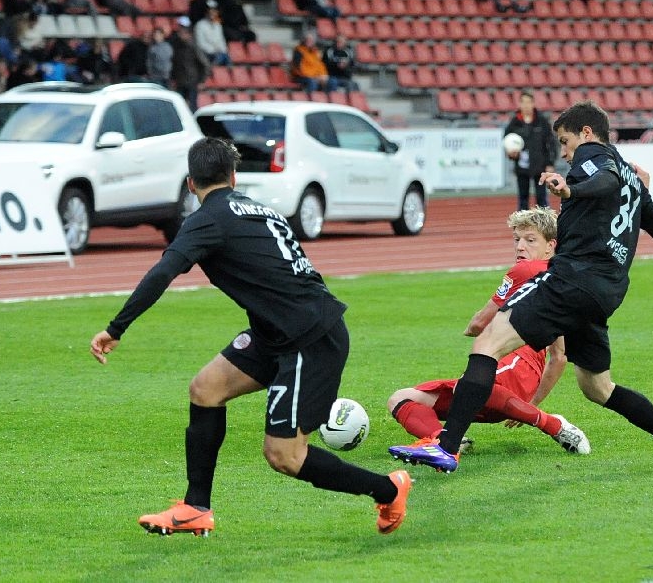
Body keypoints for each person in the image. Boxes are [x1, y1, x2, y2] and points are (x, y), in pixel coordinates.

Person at [88, 136, 412, 537]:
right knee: (205, 388)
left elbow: (163, 272)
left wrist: (116, 328)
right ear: (233, 177)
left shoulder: (208, 219)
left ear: (190, 183)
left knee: (284, 456)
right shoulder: (260, 210)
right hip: (279, 331)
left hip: (308, 341)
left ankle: (389, 489)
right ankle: (195, 508)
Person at [388, 100, 653, 472]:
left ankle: (446, 448)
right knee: (598, 388)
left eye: (565, 141)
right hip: (605, 293)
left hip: (571, 278)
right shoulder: (630, 177)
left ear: (586, 133)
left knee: (488, 342)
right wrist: (643, 193)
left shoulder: (594, 155)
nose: (564, 152)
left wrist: (571, 191)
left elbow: (604, 180)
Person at [387, 206, 590, 456]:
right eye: (516, 239)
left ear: (551, 246)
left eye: (530, 240)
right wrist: (531, 403)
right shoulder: (559, 281)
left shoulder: (524, 271)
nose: (520, 247)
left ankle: (553, 425)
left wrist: (470, 329)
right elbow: (559, 357)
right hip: (517, 386)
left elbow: (479, 323)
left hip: (514, 366)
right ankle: (444, 441)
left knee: (464, 387)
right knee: (402, 398)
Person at [504, 92, 559, 211]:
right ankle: (522, 221)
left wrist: (550, 163)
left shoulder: (541, 121)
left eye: (528, 102)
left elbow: (551, 143)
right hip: (521, 167)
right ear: (520, 104)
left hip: (540, 166)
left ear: (533, 104)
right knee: (523, 198)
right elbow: (506, 140)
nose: (526, 105)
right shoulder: (515, 122)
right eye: (523, 102)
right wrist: (510, 153)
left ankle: (543, 221)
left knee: (541, 198)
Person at [169, 17, 211, 110]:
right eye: (180, 33)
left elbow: (205, 64)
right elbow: (175, 64)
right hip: (180, 81)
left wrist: (202, 81)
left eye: (183, 33)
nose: (180, 35)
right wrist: (173, 78)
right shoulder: (176, 47)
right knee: (179, 106)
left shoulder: (194, 47)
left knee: (192, 105)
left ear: (188, 34)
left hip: (192, 81)